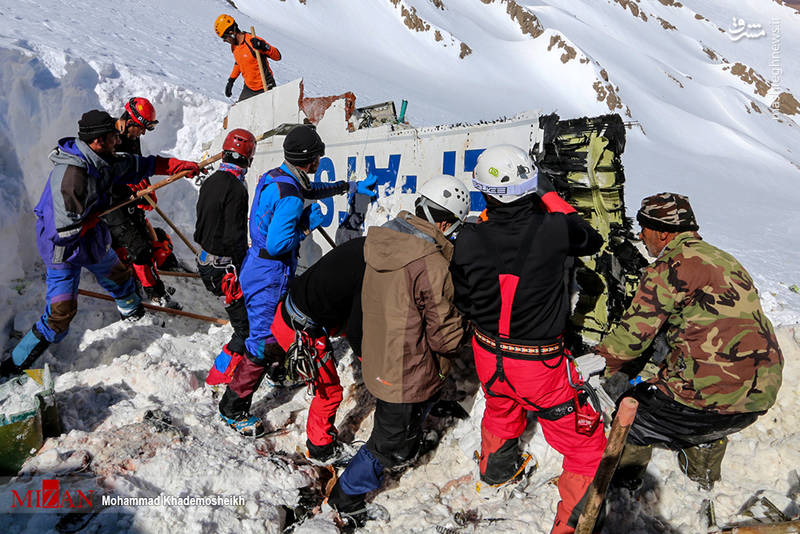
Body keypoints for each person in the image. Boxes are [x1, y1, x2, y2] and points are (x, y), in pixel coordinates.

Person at [450, 145, 607, 534]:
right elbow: (590, 238)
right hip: (538, 364)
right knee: (585, 447)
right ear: (530, 186)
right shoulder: (554, 230)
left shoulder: (468, 239)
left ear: (482, 192)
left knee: (502, 410)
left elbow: (464, 296)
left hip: (488, 353)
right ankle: (573, 526)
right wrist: (549, 195)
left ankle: (494, 474)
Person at [594, 192, 783, 491]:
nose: (641, 236)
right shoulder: (725, 259)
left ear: (663, 232)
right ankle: (703, 466)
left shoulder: (670, 267)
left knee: (628, 410)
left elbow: (629, 341)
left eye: (644, 228)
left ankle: (624, 488)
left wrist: (596, 366)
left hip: (703, 405)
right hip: (759, 396)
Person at [2, 110, 199, 376]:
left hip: (91, 239)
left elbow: (138, 165)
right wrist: (94, 218)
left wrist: (175, 165)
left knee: (119, 276)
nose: (117, 141)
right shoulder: (71, 179)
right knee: (60, 314)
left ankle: (133, 317)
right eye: (111, 138)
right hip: (64, 248)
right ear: (97, 141)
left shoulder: (102, 159)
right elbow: (64, 231)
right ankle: (15, 365)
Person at [325, 175, 470, 528]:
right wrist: (464, 330)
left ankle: (406, 443)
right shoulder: (430, 263)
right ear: (445, 222)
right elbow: (444, 334)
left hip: (381, 353)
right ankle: (346, 496)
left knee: (400, 421)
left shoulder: (384, 238)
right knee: (385, 443)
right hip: (407, 367)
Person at [217, 124, 376, 437]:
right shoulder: (291, 198)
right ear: (311, 159)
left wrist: (347, 187)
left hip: (257, 265)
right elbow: (279, 244)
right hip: (270, 273)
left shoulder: (277, 176)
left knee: (276, 331)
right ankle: (232, 407)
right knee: (262, 342)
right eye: (318, 157)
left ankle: (277, 371)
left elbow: (307, 191)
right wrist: (306, 226)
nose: (320, 161)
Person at [270, 234, 367, 464]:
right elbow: (356, 331)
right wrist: (369, 360)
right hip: (303, 333)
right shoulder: (369, 273)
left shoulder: (360, 246)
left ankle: (284, 370)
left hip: (285, 315)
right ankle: (320, 447)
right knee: (330, 392)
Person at [104, 97, 182, 309]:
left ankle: (151, 272)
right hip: (109, 204)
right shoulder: (107, 136)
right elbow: (105, 171)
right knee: (138, 248)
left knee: (148, 236)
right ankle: (154, 293)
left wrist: (144, 186)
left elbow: (136, 164)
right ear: (129, 121)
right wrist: (129, 185)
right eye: (141, 128)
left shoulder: (131, 136)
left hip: (128, 199)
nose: (143, 133)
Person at [197, 129, 257, 387]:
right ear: (248, 159)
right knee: (246, 330)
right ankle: (219, 377)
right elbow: (234, 237)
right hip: (225, 271)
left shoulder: (211, 181)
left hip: (206, 261)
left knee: (244, 321)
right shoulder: (236, 188)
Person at [214, 14, 281, 102]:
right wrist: (231, 80)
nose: (225, 41)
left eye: (225, 38)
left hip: (265, 86)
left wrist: (263, 45)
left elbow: (278, 56)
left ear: (231, 33)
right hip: (249, 88)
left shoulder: (253, 42)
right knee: (240, 113)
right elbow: (239, 62)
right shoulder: (234, 47)